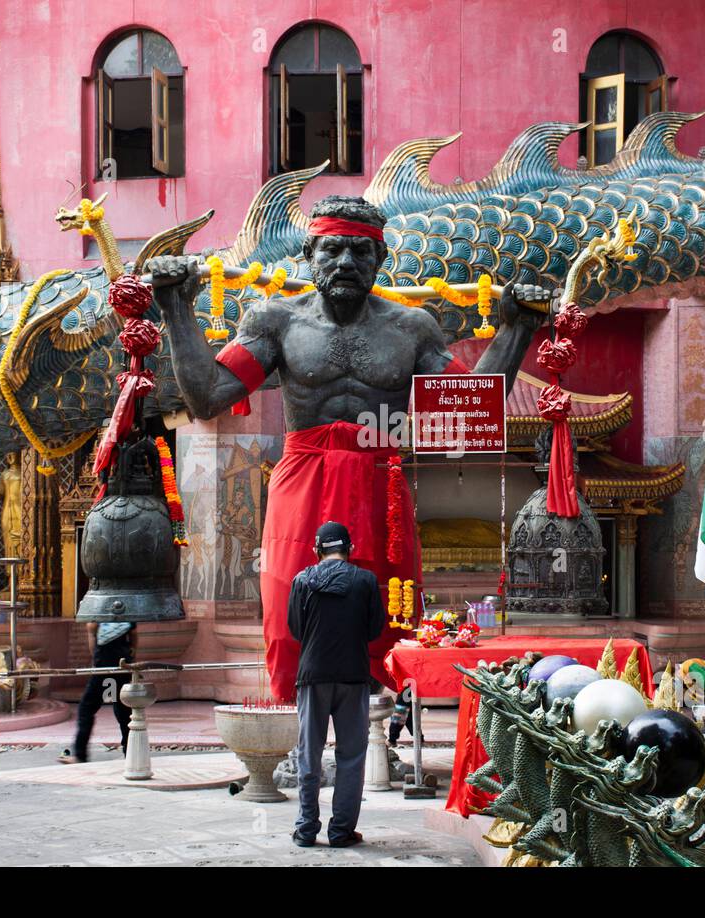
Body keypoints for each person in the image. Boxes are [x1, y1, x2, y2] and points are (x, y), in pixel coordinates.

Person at [150, 196, 551, 702]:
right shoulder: (275, 320)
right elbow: (208, 397)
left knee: (389, 606)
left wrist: (519, 329)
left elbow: (468, 409)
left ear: (380, 260)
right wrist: (174, 309)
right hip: (302, 478)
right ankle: (299, 726)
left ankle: (385, 731)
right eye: (333, 249)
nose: (346, 263)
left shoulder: (412, 327)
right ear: (308, 255)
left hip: (378, 479)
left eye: (361, 252)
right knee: (287, 606)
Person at [286, 521, 385, 848]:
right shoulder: (366, 581)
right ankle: (341, 831)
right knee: (351, 756)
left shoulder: (302, 581)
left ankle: (305, 829)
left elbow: (296, 630)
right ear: (350, 549)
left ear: (317, 549)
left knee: (309, 754)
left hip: (313, 677)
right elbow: (373, 631)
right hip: (353, 677)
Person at [59, 621, 134, 764]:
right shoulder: (127, 614)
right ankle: (130, 753)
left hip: (104, 670)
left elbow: (93, 643)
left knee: (86, 709)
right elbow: (134, 639)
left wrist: (91, 634)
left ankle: (80, 755)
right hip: (121, 669)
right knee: (122, 711)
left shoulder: (100, 614)